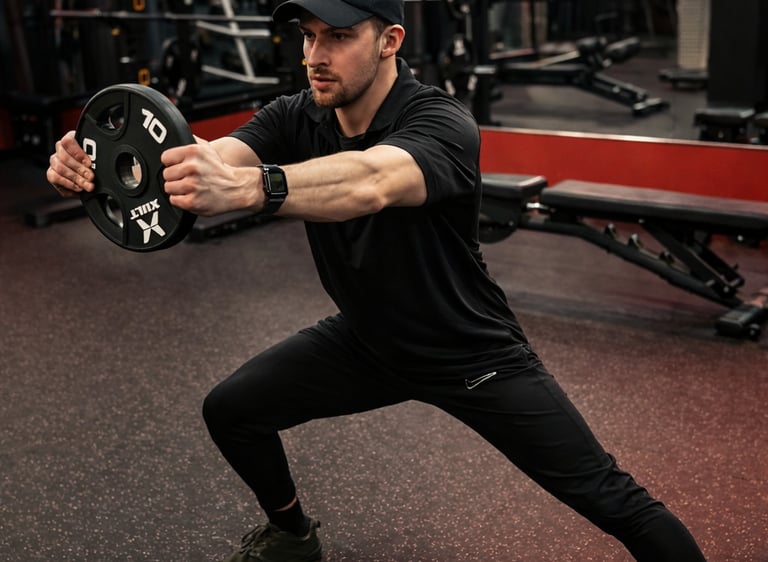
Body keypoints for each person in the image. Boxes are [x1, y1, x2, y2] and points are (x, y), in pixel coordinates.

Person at [47, 0, 708, 560]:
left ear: (390, 41)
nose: (315, 55)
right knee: (231, 411)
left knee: (614, 499)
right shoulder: (295, 115)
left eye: (338, 37)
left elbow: (373, 181)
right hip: (365, 342)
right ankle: (293, 536)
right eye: (308, 36)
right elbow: (207, 161)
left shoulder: (442, 123)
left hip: (469, 352)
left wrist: (255, 187)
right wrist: (104, 170)